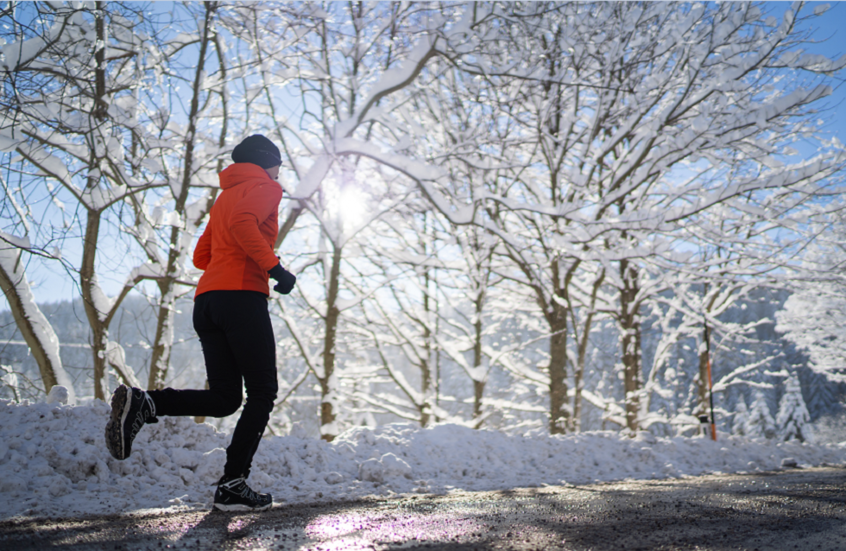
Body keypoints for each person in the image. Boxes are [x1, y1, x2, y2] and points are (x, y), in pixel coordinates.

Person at [104, 134, 297, 512]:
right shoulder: (266, 188)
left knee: (226, 399)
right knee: (262, 392)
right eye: (278, 163)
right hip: (241, 298)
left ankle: (146, 403)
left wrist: (233, 266)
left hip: (207, 301)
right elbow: (243, 226)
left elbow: (201, 255)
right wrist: (275, 268)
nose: (279, 171)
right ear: (265, 161)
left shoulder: (226, 196)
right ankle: (233, 484)